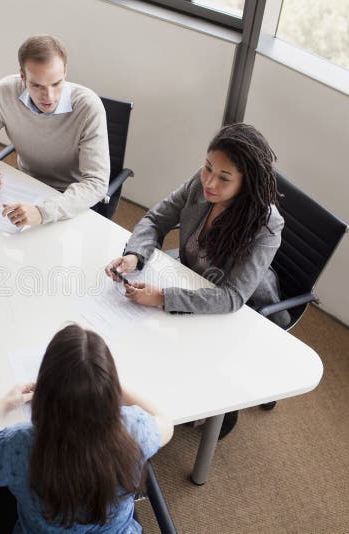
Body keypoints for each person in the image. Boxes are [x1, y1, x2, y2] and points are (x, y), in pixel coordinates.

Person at [105, 123, 288, 439]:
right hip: (190, 277)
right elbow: (155, 219)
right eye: (208, 168)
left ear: (247, 184)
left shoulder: (266, 224)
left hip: (243, 309)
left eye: (224, 178)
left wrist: (163, 297)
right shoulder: (201, 183)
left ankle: (222, 408)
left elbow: (232, 297)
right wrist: (135, 255)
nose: (210, 181)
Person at [0, 324, 173, 533]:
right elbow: (166, 422)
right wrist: (101, 385)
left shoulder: (17, 446)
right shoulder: (134, 430)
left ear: (45, 391)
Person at [0, 34, 110, 228]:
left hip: (69, 198)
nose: (48, 96)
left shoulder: (89, 107)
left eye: (56, 83)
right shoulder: (6, 91)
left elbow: (96, 182)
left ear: (65, 72)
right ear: (23, 77)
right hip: (24, 184)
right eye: (37, 85)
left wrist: (43, 212)